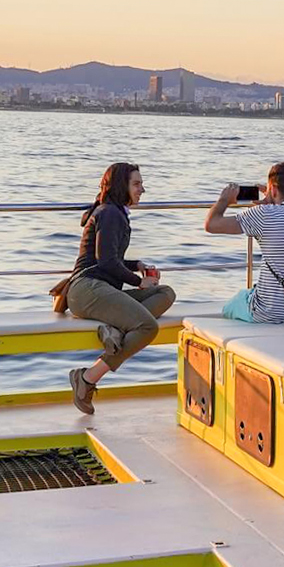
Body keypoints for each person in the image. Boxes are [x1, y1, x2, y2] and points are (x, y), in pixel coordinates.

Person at [63, 162, 177, 415]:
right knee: (148, 327)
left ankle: (114, 330)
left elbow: (108, 258)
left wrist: (137, 265)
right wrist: (138, 281)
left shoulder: (115, 212)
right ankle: (88, 378)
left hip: (102, 289)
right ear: (120, 186)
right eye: (137, 184)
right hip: (87, 289)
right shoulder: (110, 214)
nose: (142, 190)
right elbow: (105, 262)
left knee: (165, 293)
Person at [204, 160, 284, 323]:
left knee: (231, 306)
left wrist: (224, 200)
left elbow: (212, 224)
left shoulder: (264, 214)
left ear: (273, 189)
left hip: (270, 312)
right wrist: (273, 201)